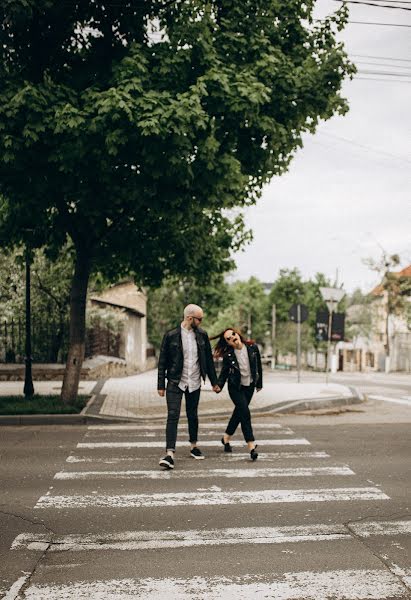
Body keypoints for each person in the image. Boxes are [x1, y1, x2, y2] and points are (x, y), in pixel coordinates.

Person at [157, 304, 220, 470]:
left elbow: (208, 360)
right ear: (190, 318)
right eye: (200, 319)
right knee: (173, 415)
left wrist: (215, 382)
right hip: (175, 381)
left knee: (193, 414)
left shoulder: (202, 335)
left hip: (194, 381)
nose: (201, 322)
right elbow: (162, 361)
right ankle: (170, 454)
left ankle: (194, 446)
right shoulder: (171, 335)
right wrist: (160, 385)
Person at [212, 328, 262, 461]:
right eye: (228, 338)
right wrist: (219, 386)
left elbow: (258, 366)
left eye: (233, 334)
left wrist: (259, 383)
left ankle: (225, 438)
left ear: (238, 334)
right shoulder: (229, 355)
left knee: (239, 413)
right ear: (228, 343)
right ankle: (251, 446)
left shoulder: (252, 347)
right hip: (235, 388)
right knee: (245, 413)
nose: (232, 338)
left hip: (249, 387)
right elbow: (224, 373)